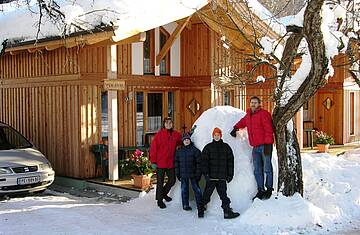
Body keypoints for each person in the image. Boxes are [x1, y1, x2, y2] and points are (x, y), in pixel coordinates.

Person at [230, 96, 274, 200]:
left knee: (267, 168)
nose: (253, 104)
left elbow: (269, 129)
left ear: (259, 104)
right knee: (257, 169)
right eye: (251, 103)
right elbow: (242, 122)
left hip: (265, 146)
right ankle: (260, 190)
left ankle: (269, 189)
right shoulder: (248, 115)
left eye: (255, 102)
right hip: (255, 147)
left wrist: (268, 144)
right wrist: (235, 128)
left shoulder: (264, 114)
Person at [199, 127, 240, 219]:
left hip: (222, 177)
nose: (216, 136)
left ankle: (227, 211)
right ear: (213, 136)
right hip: (211, 177)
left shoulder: (226, 147)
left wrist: (230, 175)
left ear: (220, 136)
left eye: (218, 135)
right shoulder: (208, 147)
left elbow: (230, 162)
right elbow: (204, 162)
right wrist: (206, 174)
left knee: (223, 195)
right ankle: (201, 209)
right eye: (215, 135)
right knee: (207, 194)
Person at [150, 117, 182, 209]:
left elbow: (182, 140)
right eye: (167, 123)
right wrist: (153, 161)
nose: (169, 124)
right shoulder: (159, 135)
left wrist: (190, 134)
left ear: (172, 124)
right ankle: (160, 201)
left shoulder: (176, 135)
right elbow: (153, 148)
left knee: (172, 180)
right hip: (160, 163)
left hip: (170, 162)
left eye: (170, 123)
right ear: (164, 124)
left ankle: (163, 194)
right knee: (160, 182)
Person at [174, 132, 202, 212]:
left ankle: (200, 204)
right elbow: (176, 163)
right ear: (182, 141)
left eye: (188, 140)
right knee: (184, 189)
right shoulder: (179, 151)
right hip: (183, 174)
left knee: (197, 189)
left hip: (193, 174)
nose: (186, 141)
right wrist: (177, 173)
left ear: (190, 140)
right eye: (185, 140)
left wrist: (198, 174)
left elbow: (199, 163)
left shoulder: (195, 150)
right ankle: (185, 205)